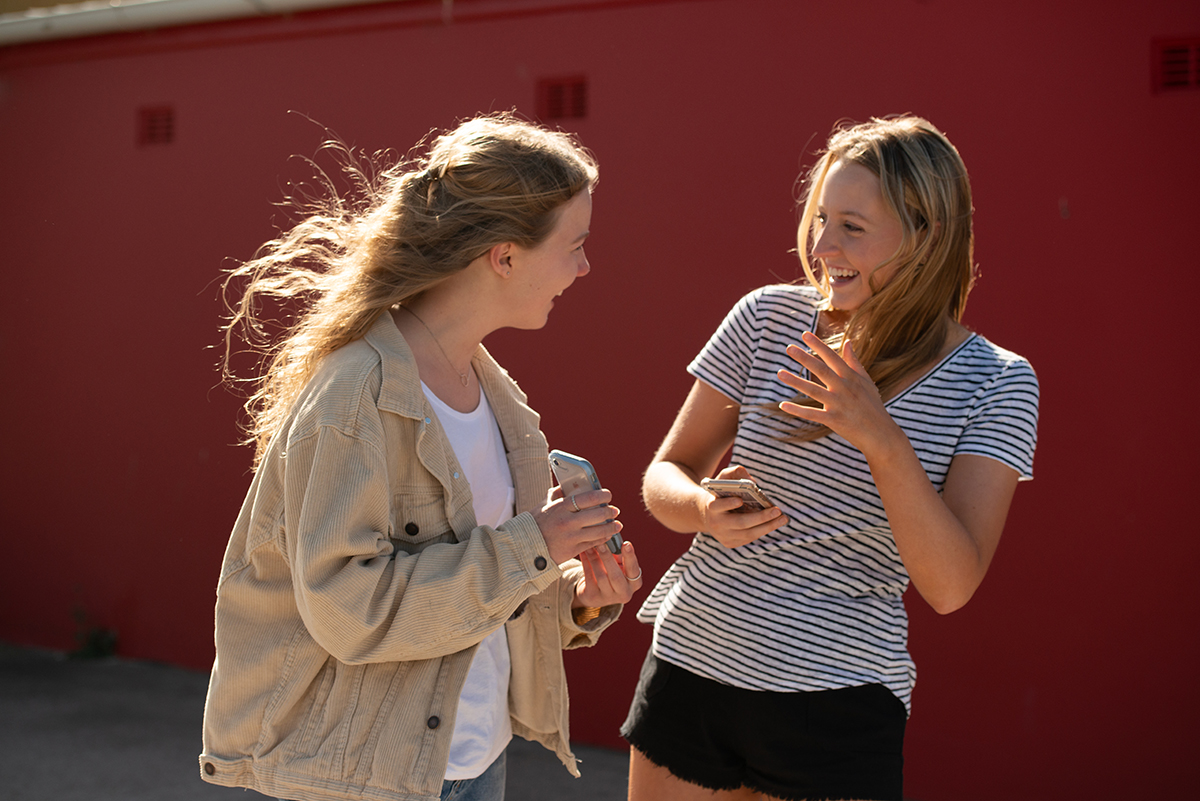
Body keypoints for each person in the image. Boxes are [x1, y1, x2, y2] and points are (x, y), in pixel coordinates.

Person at [198, 112, 643, 801]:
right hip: (366, 778)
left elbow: (489, 593)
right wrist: (534, 544)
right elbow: (350, 608)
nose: (585, 265)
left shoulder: (500, 398)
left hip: (475, 760)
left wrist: (581, 599)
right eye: (575, 243)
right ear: (504, 256)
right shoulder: (354, 397)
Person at [623, 116, 1039, 801]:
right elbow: (665, 475)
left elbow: (951, 584)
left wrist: (879, 433)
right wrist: (703, 507)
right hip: (692, 662)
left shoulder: (998, 381)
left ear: (927, 235)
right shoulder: (765, 318)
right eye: (820, 218)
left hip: (838, 703)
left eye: (852, 225)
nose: (822, 245)